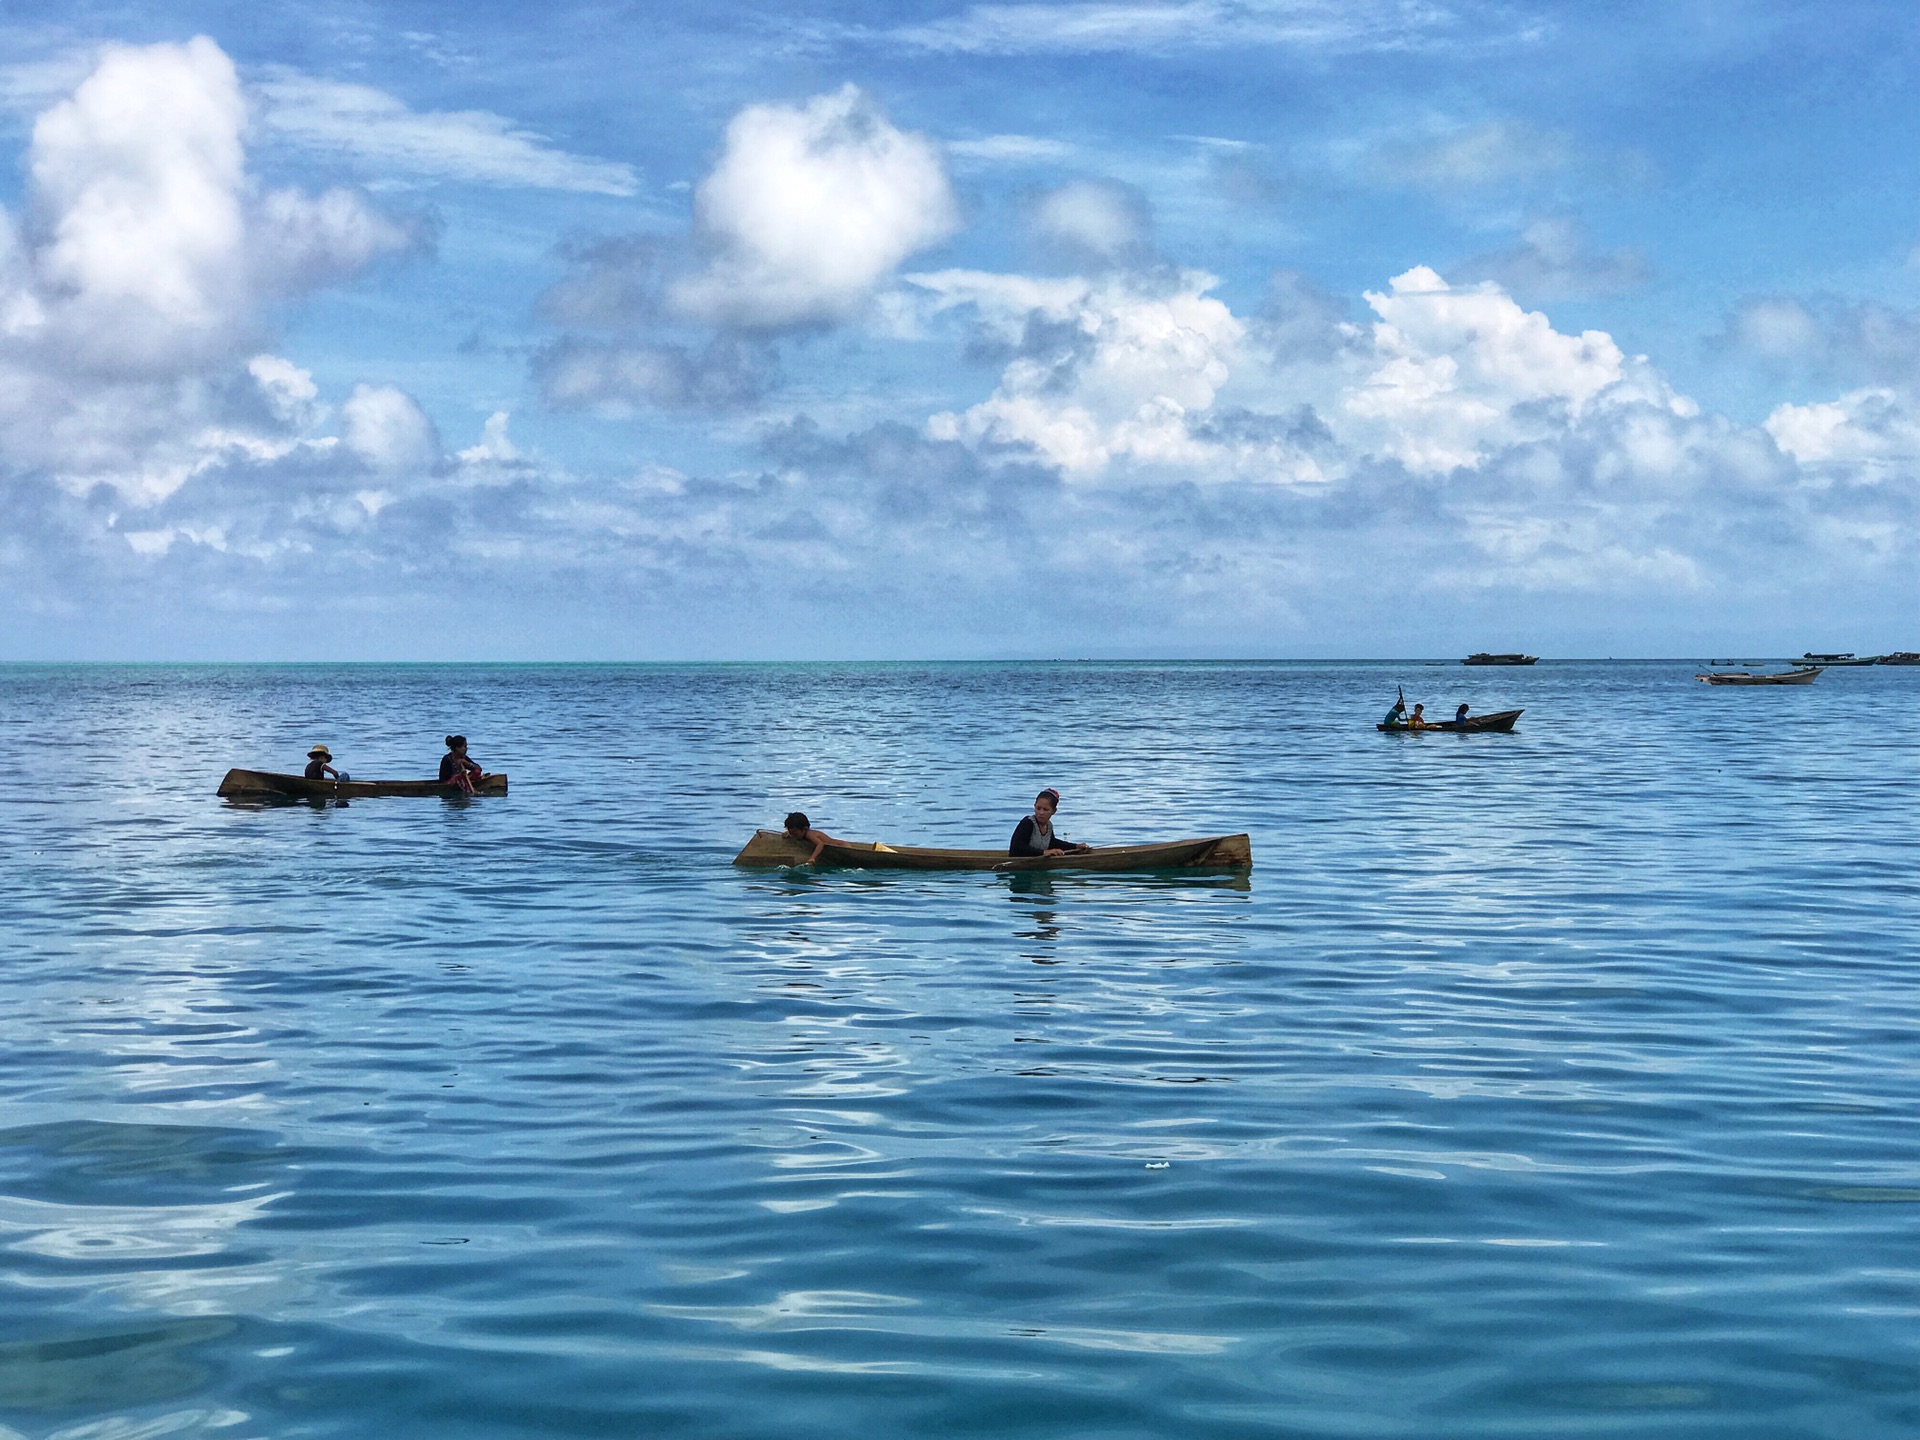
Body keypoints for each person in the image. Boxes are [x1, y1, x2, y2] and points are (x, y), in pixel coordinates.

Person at [1009, 788, 1091, 857]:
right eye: (1038, 808)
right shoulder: (1028, 822)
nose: (1041, 813)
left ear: (1054, 811)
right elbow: (1017, 847)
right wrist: (1044, 852)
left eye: (1045, 810)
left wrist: (1075, 847)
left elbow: (1052, 843)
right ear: (1034, 806)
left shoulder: (1049, 826)